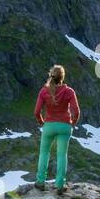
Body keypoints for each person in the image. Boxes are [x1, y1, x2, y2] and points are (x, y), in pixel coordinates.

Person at [34, 64, 80, 192]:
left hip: (49, 125)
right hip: (65, 126)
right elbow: (76, 111)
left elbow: (36, 111)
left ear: (51, 75)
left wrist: (41, 122)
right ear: (62, 77)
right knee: (61, 155)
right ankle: (60, 185)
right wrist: (72, 123)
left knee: (44, 153)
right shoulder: (69, 91)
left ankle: (40, 182)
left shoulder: (44, 91)